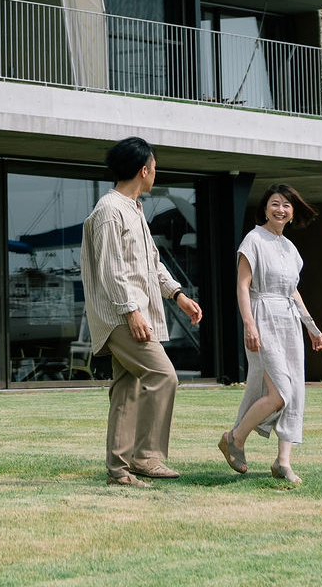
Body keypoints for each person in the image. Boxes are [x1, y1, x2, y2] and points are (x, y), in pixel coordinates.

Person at [81, 137, 203, 486]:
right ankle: (147, 457)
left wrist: (177, 294)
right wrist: (131, 312)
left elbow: (151, 264)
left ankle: (119, 472)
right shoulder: (109, 210)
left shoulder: (133, 209)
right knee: (164, 376)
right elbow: (111, 269)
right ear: (143, 170)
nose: (155, 173)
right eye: (154, 167)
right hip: (121, 316)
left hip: (132, 312)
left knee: (128, 387)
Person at [217, 183, 322, 485]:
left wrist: (312, 328)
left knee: (295, 393)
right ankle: (235, 438)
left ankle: (283, 462)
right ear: (265, 208)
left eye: (286, 206)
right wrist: (249, 324)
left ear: (292, 213)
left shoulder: (290, 249)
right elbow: (242, 286)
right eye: (275, 203)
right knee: (281, 392)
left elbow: (292, 291)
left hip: (289, 323)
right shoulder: (254, 239)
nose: (280, 209)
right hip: (263, 318)